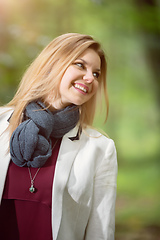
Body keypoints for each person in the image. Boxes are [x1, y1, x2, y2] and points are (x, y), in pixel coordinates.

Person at [0, 33, 118, 240]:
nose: (90, 78)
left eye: (96, 74)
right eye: (80, 65)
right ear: (52, 64)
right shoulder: (1, 123)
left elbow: (100, 231)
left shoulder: (100, 149)